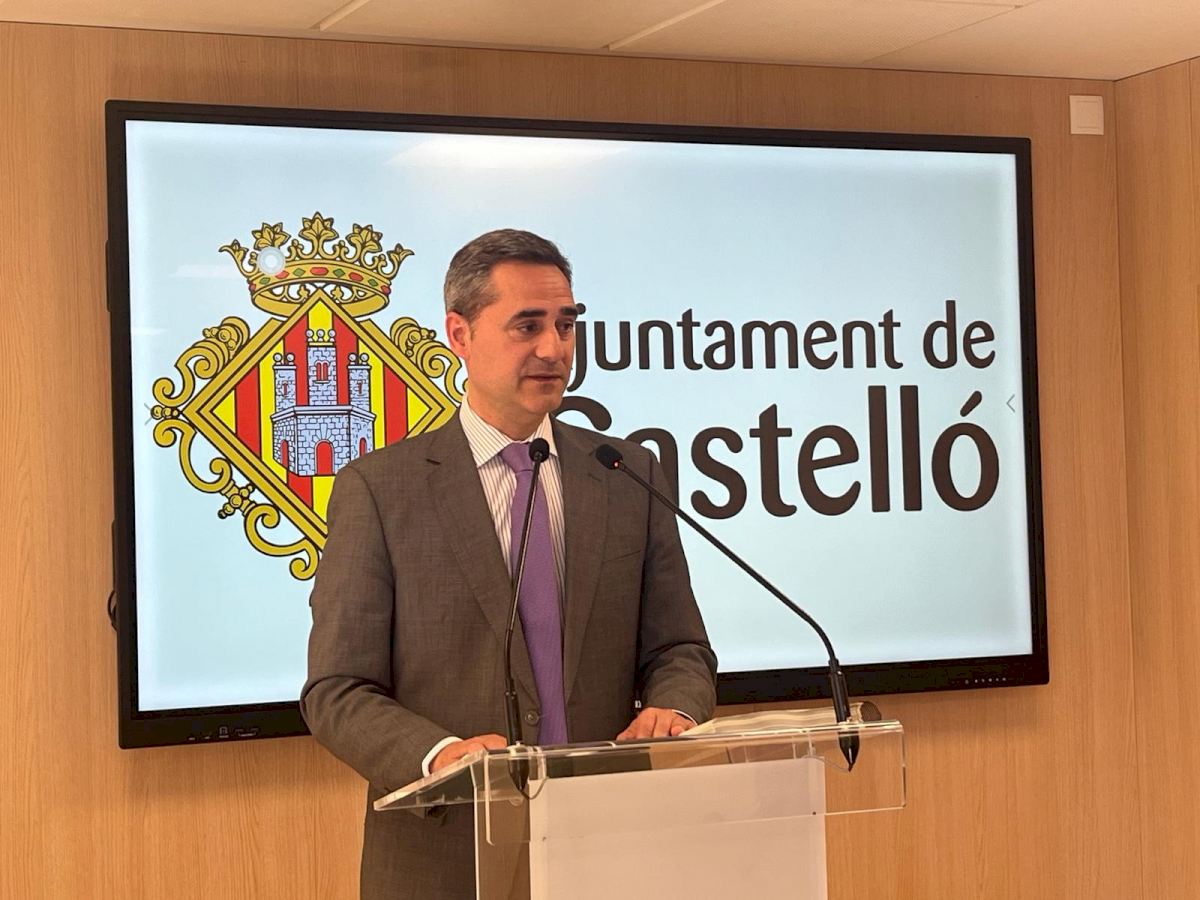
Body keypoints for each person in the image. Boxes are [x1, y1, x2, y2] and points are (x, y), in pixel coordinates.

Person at [301, 229, 717, 899]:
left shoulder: (625, 472)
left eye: (565, 325)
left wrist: (675, 706)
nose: (554, 348)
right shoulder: (380, 490)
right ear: (459, 335)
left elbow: (680, 649)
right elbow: (338, 690)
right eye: (527, 325)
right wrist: (440, 756)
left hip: (609, 849)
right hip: (446, 858)